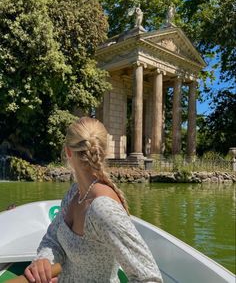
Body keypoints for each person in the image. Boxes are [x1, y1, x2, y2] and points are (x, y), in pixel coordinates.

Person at [24, 117, 163, 283]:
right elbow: (53, 238)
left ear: (68, 152)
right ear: (105, 152)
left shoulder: (102, 209)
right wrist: (44, 260)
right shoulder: (74, 193)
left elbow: (149, 278)